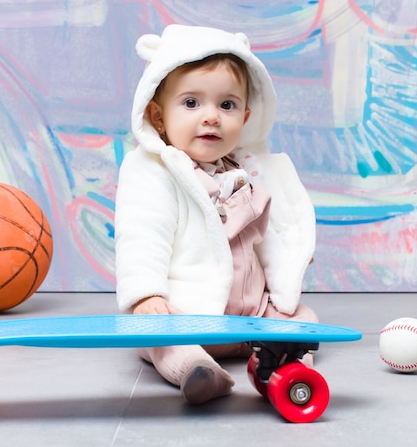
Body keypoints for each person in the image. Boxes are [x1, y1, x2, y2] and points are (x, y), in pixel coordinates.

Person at [114, 25, 317, 405]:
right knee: (162, 340)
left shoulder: (246, 171)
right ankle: (198, 372)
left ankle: (276, 358)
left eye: (227, 105)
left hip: (251, 315)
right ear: (158, 117)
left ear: (245, 116)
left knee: (302, 317)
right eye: (191, 103)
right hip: (189, 315)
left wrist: (291, 259)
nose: (211, 117)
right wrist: (147, 297)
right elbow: (141, 234)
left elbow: (272, 234)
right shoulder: (153, 171)